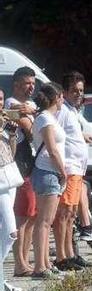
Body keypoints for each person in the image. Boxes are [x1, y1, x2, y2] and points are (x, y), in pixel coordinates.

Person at [51, 72, 92, 272]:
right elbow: (55, 137)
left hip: (77, 168)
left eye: (81, 90)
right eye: (74, 90)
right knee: (64, 213)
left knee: (71, 213)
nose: (78, 94)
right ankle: (61, 256)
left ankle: (70, 253)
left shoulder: (74, 111)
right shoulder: (62, 111)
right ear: (65, 92)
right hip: (68, 167)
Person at [31, 83, 67, 278]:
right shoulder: (45, 118)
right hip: (47, 171)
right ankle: (40, 266)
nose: (62, 100)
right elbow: (52, 150)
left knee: (47, 221)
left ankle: (45, 263)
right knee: (44, 221)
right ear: (57, 97)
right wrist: (63, 172)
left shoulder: (49, 118)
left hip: (49, 172)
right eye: (61, 96)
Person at [6, 67, 37, 278]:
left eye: (33, 83)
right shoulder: (9, 103)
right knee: (22, 215)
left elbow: (33, 114)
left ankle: (25, 260)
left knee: (32, 215)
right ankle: (20, 263)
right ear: (17, 84)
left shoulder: (31, 105)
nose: (32, 87)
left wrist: (32, 112)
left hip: (31, 162)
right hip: (18, 163)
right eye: (27, 83)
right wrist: (30, 114)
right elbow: (29, 127)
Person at [0, 114, 21, 291]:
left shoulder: (4, 124)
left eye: (1, 99)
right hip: (0, 184)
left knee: (5, 232)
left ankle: (1, 281)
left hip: (9, 179)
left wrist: (12, 135)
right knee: (10, 232)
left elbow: (10, 154)